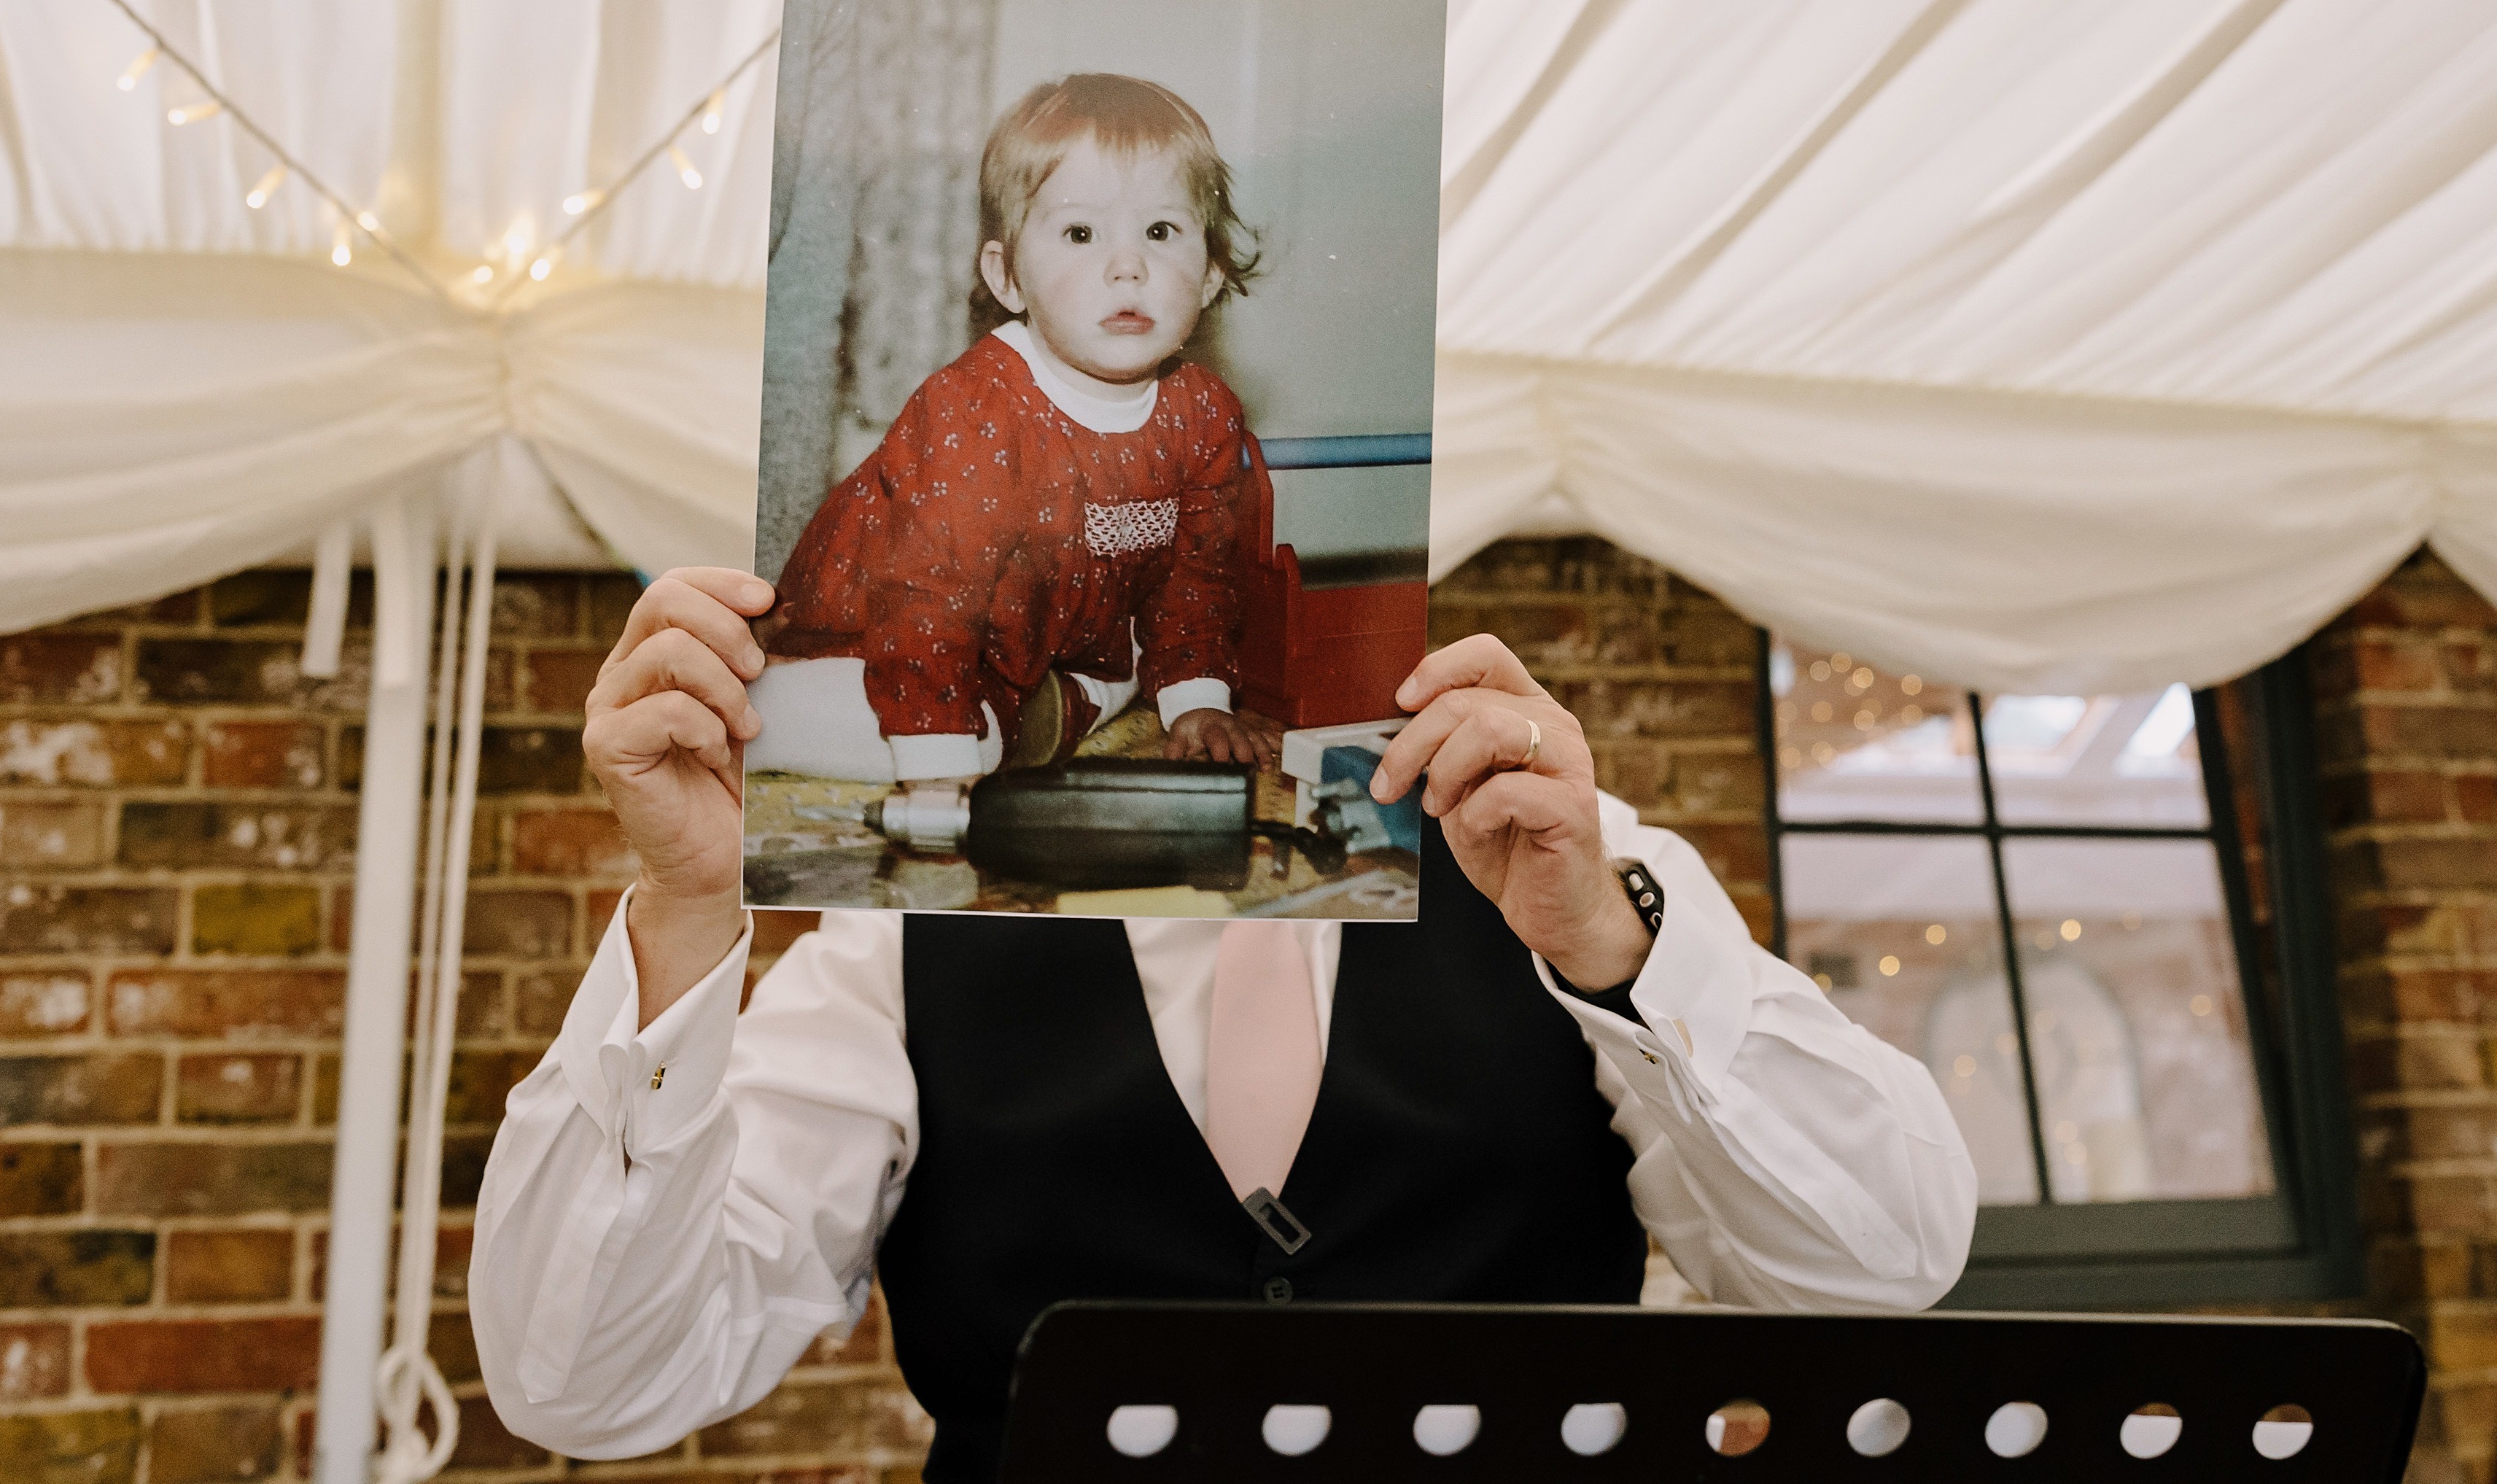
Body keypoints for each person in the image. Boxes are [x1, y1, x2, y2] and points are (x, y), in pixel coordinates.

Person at [470, 569, 1978, 1481]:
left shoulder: (1563, 858)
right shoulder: (905, 934)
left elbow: (1885, 1259)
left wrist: (1608, 942)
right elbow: (589, 1381)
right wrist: (681, 912)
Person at [744, 72, 1275, 790]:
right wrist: (935, 764)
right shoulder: (973, 409)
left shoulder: (1203, 412)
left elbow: (1193, 578)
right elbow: (926, 601)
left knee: (1119, 662)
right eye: (1080, 233)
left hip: (1034, 634)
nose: (1127, 266)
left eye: (1160, 231)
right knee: (961, 739)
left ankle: (1040, 701)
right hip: (869, 638)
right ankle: (757, 710)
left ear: (1208, 275)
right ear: (1008, 278)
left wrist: (1196, 702)